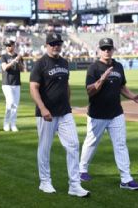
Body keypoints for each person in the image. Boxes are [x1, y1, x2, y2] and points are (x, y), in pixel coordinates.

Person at [29, 32, 89, 197]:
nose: (56, 46)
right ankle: (45, 181)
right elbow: (33, 87)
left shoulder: (64, 62)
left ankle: (74, 185)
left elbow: (66, 85)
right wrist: (42, 108)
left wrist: (68, 103)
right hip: (46, 113)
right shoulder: (40, 64)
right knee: (45, 148)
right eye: (53, 43)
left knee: (73, 145)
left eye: (59, 43)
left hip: (64, 112)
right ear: (47, 45)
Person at [79, 38, 138, 190]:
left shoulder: (118, 66)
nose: (107, 51)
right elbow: (90, 91)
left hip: (116, 113)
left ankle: (125, 179)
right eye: (104, 48)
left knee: (120, 145)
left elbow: (122, 86)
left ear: (113, 49)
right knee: (91, 143)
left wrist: (132, 96)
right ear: (99, 50)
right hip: (97, 114)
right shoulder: (93, 68)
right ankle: (82, 169)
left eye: (109, 48)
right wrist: (102, 79)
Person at [0, 39, 24, 132]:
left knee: (15, 105)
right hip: (6, 83)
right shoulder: (4, 56)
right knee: (10, 103)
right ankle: (6, 124)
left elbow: (22, 69)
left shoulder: (18, 56)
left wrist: (19, 62)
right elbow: (5, 67)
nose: (8, 47)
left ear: (14, 46)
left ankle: (13, 124)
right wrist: (14, 60)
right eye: (7, 46)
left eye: (10, 45)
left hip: (16, 83)